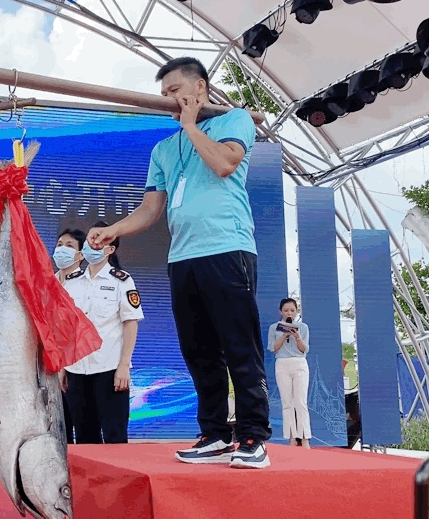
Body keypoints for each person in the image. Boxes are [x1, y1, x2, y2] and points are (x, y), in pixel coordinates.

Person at [88, 56, 271, 468]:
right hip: (183, 257)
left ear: (199, 87)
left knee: (239, 346)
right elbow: (150, 208)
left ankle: (253, 436)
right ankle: (214, 434)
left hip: (227, 248)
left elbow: (225, 164)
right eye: (164, 94)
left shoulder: (235, 120)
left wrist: (190, 126)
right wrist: (114, 229)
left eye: (175, 90)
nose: (169, 99)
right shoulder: (163, 149)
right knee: (198, 350)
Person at [62, 222, 142, 444]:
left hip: (109, 369)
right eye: (90, 241)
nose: (93, 246)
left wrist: (124, 366)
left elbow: (130, 323)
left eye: (99, 242)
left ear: (110, 249)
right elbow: (66, 327)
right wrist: (63, 366)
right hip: (76, 369)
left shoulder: (121, 280)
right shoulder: (72, 281)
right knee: (85, 438)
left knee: (115, 437)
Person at [53, 228, 87, 444]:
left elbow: (78, 330)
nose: (61, 250)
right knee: (56, 429)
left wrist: (64, 367)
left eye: (69, 246)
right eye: (59, 245)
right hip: (47, 364)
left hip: (77, 366)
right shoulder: (46, 282)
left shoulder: (86, 284)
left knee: (82, 426)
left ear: (80, 255)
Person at [269, 298, 311, 448]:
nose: (289, 313)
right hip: (282, 364)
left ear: (297, 312)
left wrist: (297, 337)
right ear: (280, 311)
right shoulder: (274, 328)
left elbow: (304, 349)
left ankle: (305, 438)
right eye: (286, 310)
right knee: (287, 403)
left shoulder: (303, 327)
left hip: (299, 363)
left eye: (292, 310)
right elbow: (273, 348)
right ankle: (291, 437)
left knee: (301, 402)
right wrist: (284, 335)